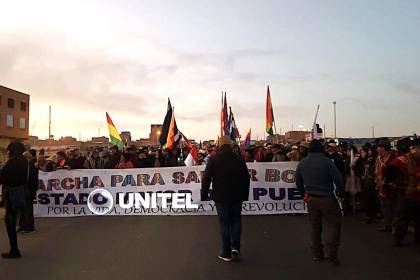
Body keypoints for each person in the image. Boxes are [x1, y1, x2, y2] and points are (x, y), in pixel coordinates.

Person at [296, 139, 345, 266]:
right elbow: (338, 178)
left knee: (315, 227)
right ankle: (332, 254)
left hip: (311, 199)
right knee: (333, 225)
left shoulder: (303, 162)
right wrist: (341, 192)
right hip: (327, 198)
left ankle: (317, 254)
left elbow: (298, 181)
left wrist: (303, 194)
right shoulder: (327, 161)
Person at [201, 136, 250, 262]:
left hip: (221, 196)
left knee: (224, 224)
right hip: (237, 196)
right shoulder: (238, 159)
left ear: (219, 145)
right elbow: (246, 178)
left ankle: (226, 252)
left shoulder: (214, 159)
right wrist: (245, 195)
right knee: (236, 222)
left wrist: (204, 195)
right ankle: (236, 247)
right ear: (230, 145)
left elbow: (206, 178)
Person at [0, 142, 28, 258]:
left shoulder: (13, 162)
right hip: (21, 191)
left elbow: (3, 177)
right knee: (13, 217)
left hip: (12, 192)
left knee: (10, 221)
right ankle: (14, 249)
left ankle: (14, 250)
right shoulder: (24, 160)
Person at [375, 138, 397, 232]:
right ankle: (387, 225)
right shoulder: (379, 158)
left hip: (391, 187)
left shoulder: (393, 157)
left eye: (378, 147)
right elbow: (376, 171)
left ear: (383, 148)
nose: (377, 149)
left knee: (392, 207)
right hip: (381, 187)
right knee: (384, 206)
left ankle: (394, 226)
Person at [354, 146, 377, 223]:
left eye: (364, 152)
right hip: (366, 182)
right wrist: (361, 175)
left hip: (371, 182)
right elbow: (356, 169)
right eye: (361, 152)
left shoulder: (372, 160)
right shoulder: (362, 160)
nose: (362, 153)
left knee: (370, 199)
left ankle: (370, 216)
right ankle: (369, 215)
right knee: (367, 199)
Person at [17, 151, 38, 234]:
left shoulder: (32, 167)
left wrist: (32, 192)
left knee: (28, 210)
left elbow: (33, 181)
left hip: (28, 191)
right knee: (22, 210)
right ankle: (22, 226)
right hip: (23, 191)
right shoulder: (25, 167)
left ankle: (30, 227)